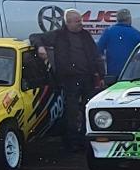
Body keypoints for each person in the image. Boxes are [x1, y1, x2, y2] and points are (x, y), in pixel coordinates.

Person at [35, 9, 105, 152]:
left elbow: (95, 55)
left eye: (81, 20)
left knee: (87, 109)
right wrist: (40, 47)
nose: (81, 23)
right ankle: (71, 142)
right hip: (70, 79)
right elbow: (35, 37)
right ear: (68, 22)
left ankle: (85, 140)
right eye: (77, 21)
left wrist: (102, 75)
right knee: (71, 111)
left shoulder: (85, 35)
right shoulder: (58, 35)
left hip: (87, 78)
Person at [97, 9, 140, 85]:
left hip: (113, 74)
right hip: (131, 74)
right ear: (129, 19)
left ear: (117, 19)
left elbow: (99, 50)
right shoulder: (136, 34)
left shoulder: (108, 32)